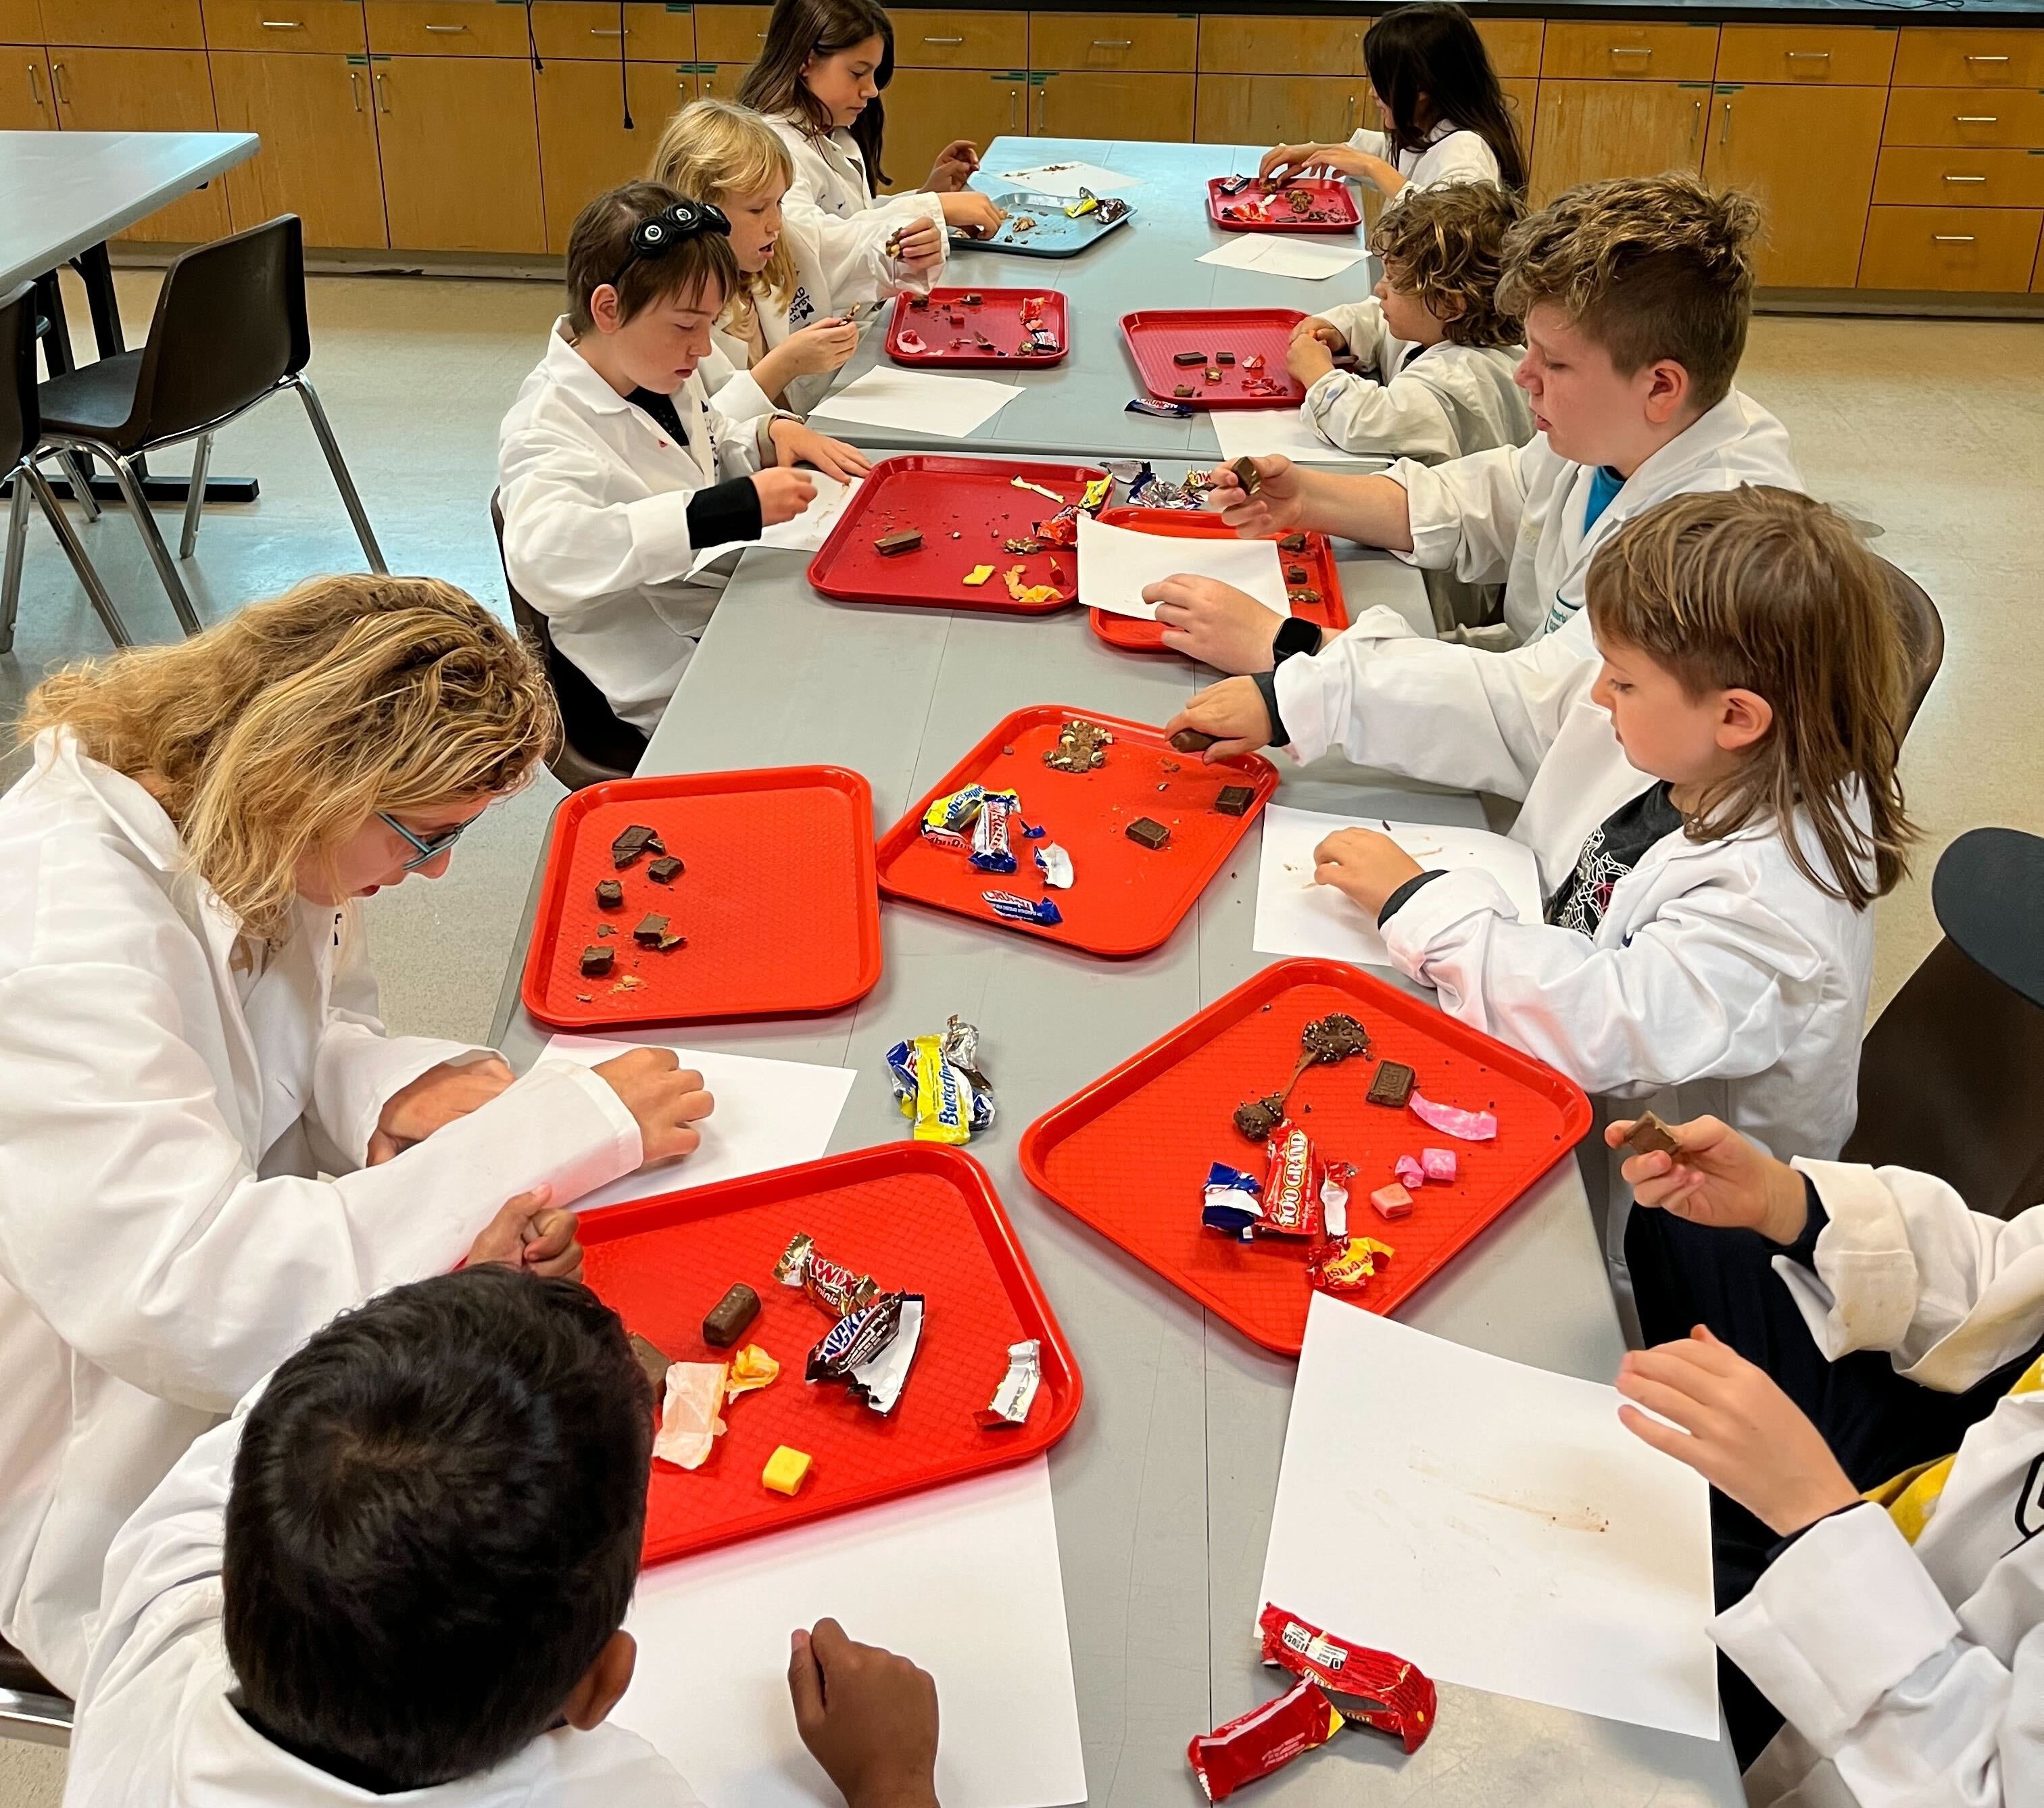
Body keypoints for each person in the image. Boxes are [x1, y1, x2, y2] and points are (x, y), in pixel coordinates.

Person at [0, 576, 717, 1695]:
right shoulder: (59, 940)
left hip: (240, 1331)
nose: (434, 874)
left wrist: (393, 1090)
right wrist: (557, 1127)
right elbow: (192, 1293)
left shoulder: (243, 810)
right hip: (97, 1461)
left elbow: (317, 1018)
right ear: (315, 771)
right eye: (426, 836)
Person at [1165, 487, 1912, 1190]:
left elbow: (1608, 1025)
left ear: (1738, 716)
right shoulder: (1704, 739)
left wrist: (1416, 902)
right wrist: (1304, 696)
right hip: (1543, 1044)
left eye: (1621, 683)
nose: (1596, 695)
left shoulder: (1775, 897)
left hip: (1652, 1211)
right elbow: (1511, 705)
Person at [63, 1266, 942, 1808]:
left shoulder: (155, 1631)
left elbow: (276, 1427)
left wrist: (470, 1326)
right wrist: (892, 1783)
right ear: (601, 1684)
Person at [1146, 173, 1801, 671]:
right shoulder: (1626, 431)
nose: (1523, 374)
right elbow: (1491, 499)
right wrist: (1310, 497)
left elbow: (1540, 710)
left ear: (1661, 384)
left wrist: (1288, 644)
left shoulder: (1710, 546)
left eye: (1558, 364)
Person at [1609, 1078, 2044, 1799]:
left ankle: (1752, 1574)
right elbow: (2016, 1279)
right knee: (1688, 1229)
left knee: (1644, 1647)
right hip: (1958, 1477)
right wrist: (1790, 1204)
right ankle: (1752, 1533)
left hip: (1920, 1684)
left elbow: (1993, 1785)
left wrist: (1817, 1520)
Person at [498, 180, 869, 741]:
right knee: (846, 715)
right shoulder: (546, 425)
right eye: (686, 325)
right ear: (608, 307)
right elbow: (542, 556)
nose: (702, 348)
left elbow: (709, 440)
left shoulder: (654, 371)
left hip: (718, 611)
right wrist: (714, 512)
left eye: (709, 325)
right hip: (660, 674)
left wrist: (768, 435)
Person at [650, 97, 940, 418]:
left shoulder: (782, 245)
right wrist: (786, 365)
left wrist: (905, 247)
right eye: (758, 209)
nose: (775, 224)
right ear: (700, 211)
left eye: (780, 203)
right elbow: (705, 436)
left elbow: (853, 253)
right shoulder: (669, 316)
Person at [1288, 180, 1532, 464]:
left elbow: (1365, 423)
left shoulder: (1464, 380)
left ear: (1450, 304)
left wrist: (1318, 374)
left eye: (1393, 281)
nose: (1379, 289)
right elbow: (1379, 321)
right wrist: (1340, 329)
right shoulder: (1437, 325)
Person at [740, 0, 1005, 243]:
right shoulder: (774, 150)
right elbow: (811, 246)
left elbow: (855, 216)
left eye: (874, 73)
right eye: (858, 73)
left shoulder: (834, 132)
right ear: (805, 63)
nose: (872, 90)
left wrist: (927, 196)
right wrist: (935, 209)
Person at [1259, 1, 1526, 199]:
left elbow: (1448, 230)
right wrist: (1319, 151)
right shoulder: (1435, 133)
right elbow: (1397, 155)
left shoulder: (1467, 151)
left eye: (1381, 82)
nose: (1373, 93)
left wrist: (1371, 166)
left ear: (1422, 86)